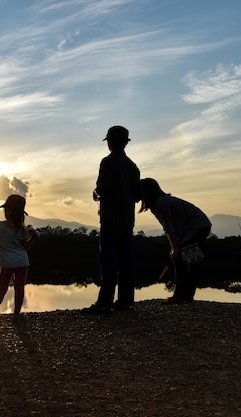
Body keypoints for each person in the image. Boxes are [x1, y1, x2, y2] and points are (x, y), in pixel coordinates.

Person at [82, 125, 141, 314]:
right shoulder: (133, 167)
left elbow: (102, 189)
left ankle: (104, 303)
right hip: (127, 221)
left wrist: (95, 192)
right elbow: (137, 196)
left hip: (110, 220)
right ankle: (126, 301)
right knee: (126, 263)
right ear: (125, 143)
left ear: (109, 142)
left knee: (108, 262)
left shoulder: (107, 162)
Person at [139, 178, 212, 304]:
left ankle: (181, 295)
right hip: (193, 228)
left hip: (199, 226)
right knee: (188, 260)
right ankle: (187, 295)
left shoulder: (162, 203)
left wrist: (175, 248)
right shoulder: (155, 205)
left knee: (185, 259)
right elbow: (168, 227)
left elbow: (169, 227)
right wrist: (175, 244)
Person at [0, 195, 39, 318]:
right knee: (19, 288)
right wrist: (34, 238)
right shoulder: (22, 230)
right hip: (22, 262)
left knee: (2, 288)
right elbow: (25, 246)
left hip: (7, 263)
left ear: (8, 211)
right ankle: (17, 314)